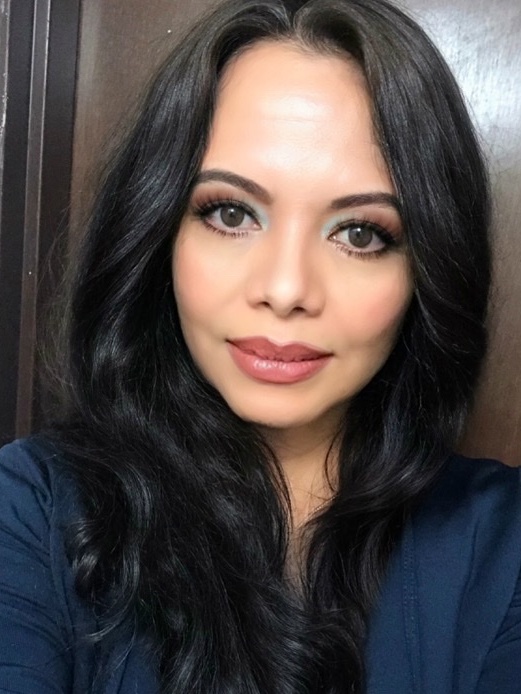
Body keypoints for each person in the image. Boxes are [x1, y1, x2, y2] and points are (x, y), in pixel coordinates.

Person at [1, 0, 520, 692]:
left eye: (360, 233)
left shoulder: (504, 547)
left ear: (428, 269)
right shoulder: (30, 509)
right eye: (230, 213)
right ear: (157, 232)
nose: (284, 289)